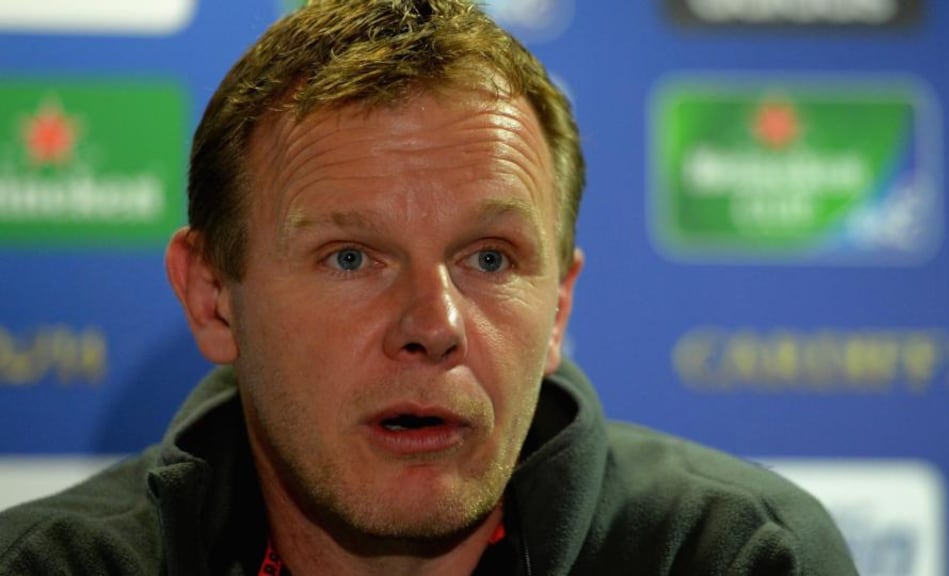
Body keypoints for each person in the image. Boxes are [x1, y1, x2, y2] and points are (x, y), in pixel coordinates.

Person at [0, 1, 858, 574]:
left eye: (489, 259)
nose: (433, 324)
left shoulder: (732, 557)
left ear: (558, 306)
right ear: (213, 297)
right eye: (350, 257)